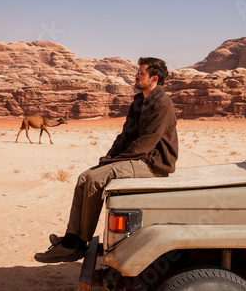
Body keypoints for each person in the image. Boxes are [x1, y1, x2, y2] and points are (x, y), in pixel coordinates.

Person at [34, 57, 179, 263]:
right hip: (137, 157)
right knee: (85, 177)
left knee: (96, 179)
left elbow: (146, 143)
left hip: (153, 163)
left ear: (154, 79)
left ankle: (79, 244)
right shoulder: (139, 102)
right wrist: (109, 157)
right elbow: (125, 136)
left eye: (141, 72)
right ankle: (71, 239)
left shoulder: (162, 104)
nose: (136, 75)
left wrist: (116, 161)